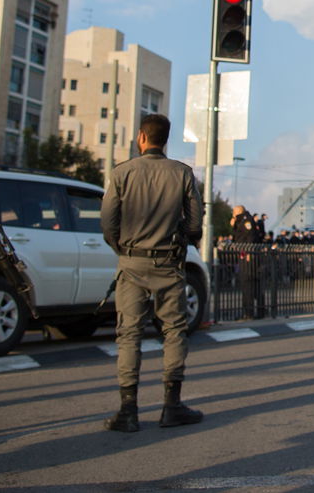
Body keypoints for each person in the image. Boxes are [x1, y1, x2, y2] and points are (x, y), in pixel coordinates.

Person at [101, 113, 206, 432]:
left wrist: (123, 249)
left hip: (132, 263)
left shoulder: (122, 172)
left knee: (129, 334)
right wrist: (181, 240)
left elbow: (108, 222)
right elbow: (195, 223)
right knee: (174, 331)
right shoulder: (182, 173)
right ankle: (171, 406)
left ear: (141, 137)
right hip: (168, 263)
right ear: (165, 139)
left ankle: (128, 410)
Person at [230, 204, 264, 318]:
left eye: (234, 212)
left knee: (248, 283)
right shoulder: (241, 221)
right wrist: (234, 225)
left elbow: (250, 237)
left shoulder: (246, 221)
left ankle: (249, 312)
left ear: (238, 212)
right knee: (251, 283)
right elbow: (238, 236)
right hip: (246, 255)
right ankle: (256, 311)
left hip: (248, 256)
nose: (232, 214)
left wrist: (248, 253)